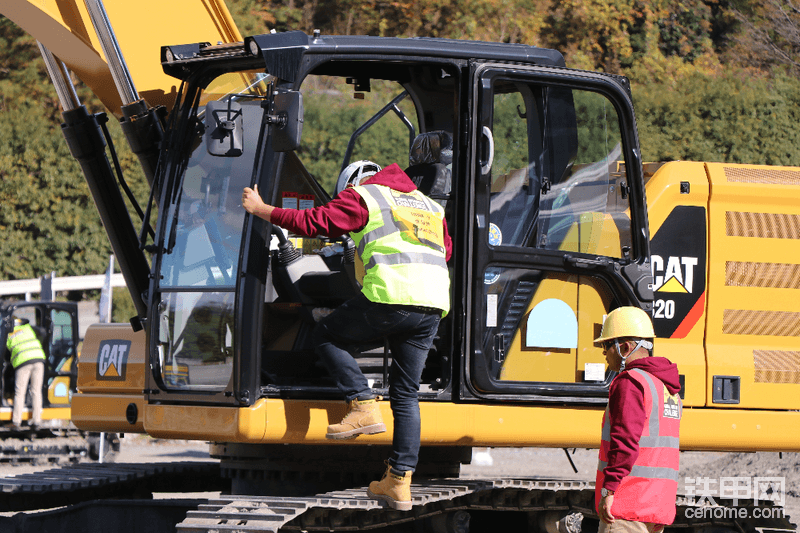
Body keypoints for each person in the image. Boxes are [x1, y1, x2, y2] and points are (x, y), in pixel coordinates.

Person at [242, 160, 451, 511]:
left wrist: (263, 210)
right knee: (405, 394)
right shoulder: (428, 205)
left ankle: (363, 403)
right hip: (431, 304)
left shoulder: (366, 195)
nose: (345, 199)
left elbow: (315, 222)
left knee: (327, 335)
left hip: (392, 294)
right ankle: (398, 482)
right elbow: (444, 251)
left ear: (354, 182)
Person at [595, 306, 682, 533]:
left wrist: (609, 491)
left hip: (626, 508)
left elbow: (625, 442)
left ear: (624, 347)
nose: (604, 353)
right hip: (655, 506)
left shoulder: (630, 382)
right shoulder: (665, 387)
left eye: (607, 345)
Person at [5, 318, 46, 429]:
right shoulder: (27, 328)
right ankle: (37, 421)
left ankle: (16, 422)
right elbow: (42, 332)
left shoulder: (8, 334)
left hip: (23, 362)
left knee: (19, 392)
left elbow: (6, 353)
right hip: (38, 359)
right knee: (36, 391)